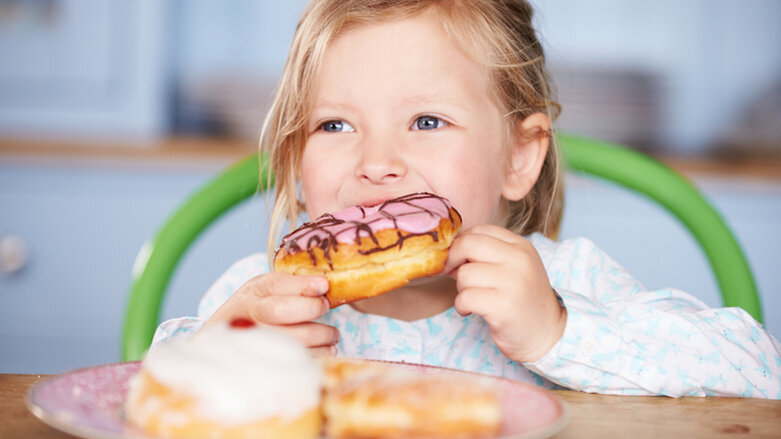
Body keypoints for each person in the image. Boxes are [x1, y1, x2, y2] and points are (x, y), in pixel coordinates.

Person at [154, 0, 780, 398]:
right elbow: (144, 395)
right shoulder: (262, 300)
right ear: (293, 161)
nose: (376, 164)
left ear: (518, 157)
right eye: (335, 126)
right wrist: (217, 357)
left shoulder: (566, 280)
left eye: (427, 121)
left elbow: (757, 369)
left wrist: (558, 331)